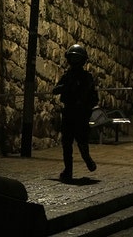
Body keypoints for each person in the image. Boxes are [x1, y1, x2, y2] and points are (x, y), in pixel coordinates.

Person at [52, 44, 99, 181]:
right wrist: (64, 87)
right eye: (73, 58)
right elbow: (56, 89)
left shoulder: (86, 78)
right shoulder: (68, 76)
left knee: (82, 142)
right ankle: (68, 170)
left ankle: (87, 159)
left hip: (81, 114)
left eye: (77, 59)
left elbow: (89, 95)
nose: (74, 61)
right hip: (69, 112)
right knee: (66, 143)